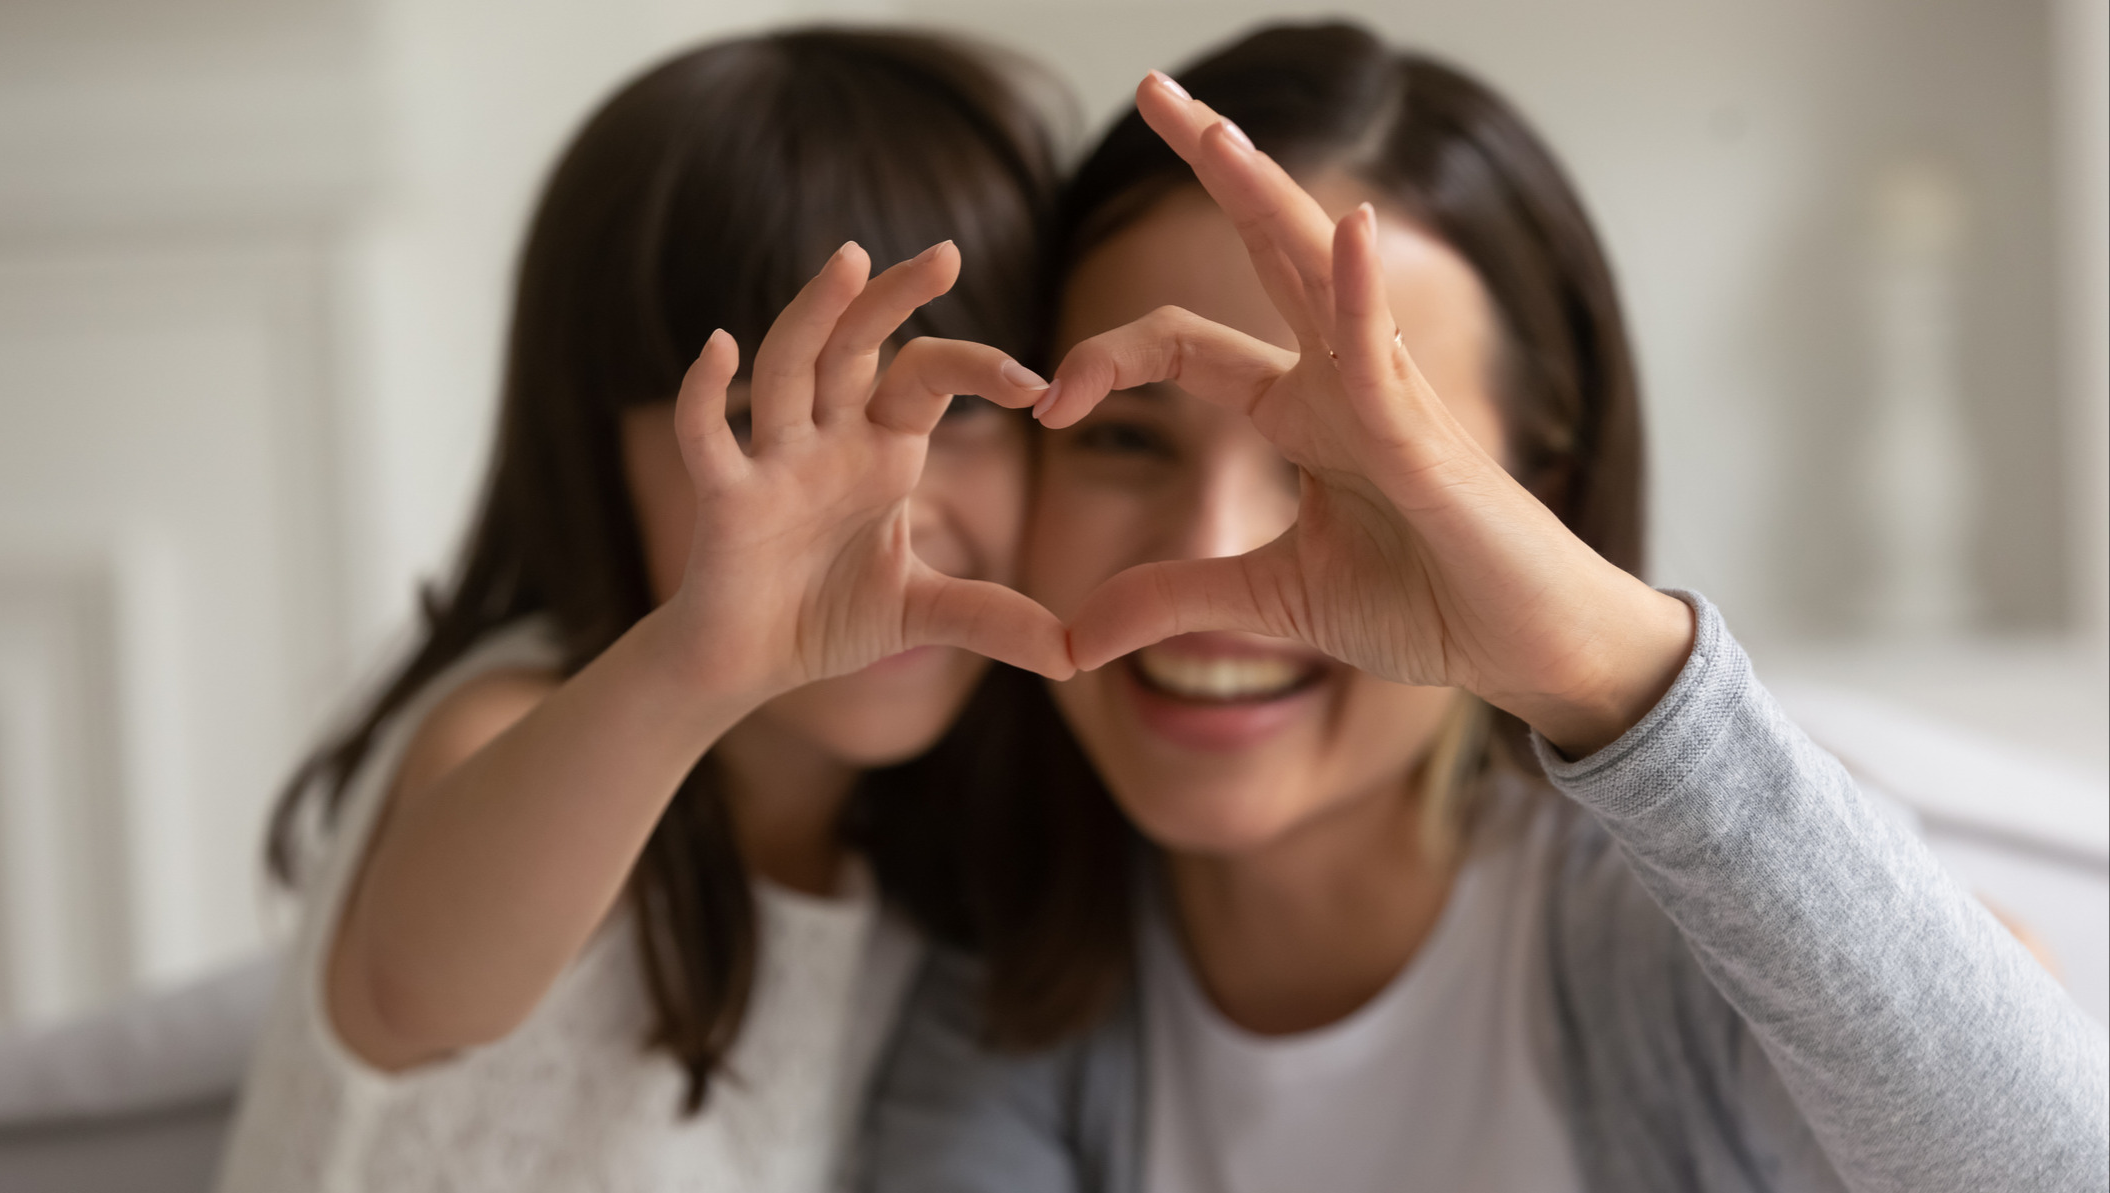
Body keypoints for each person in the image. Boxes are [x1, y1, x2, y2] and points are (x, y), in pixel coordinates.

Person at [861, 23, 2110, 1193]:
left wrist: (1611, 671)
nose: (1213, 554)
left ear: (1541, 503)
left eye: (1347, 468)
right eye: (1124, 439)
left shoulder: (1701, 932)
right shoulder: (996, 990)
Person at [216, 29, 1073, 1193]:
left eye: (956, 411)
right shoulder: (516, 730)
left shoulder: (916, 841)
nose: (884, 515)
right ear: (592, 444)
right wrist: (697, 664)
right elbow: (428, 982)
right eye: (771, 427)